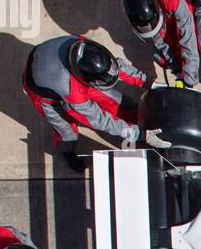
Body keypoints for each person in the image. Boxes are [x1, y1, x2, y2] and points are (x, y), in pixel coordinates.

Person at [23, 35, 149, 171]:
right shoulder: (72, 91)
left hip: (51, 62)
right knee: (66, 130)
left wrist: (147, 82)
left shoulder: (84, 45)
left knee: (114, 100)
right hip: (43, 92)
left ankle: (132, 117)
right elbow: (98, 120)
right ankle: (66, 150)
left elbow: (116, 65)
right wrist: (137, 134)